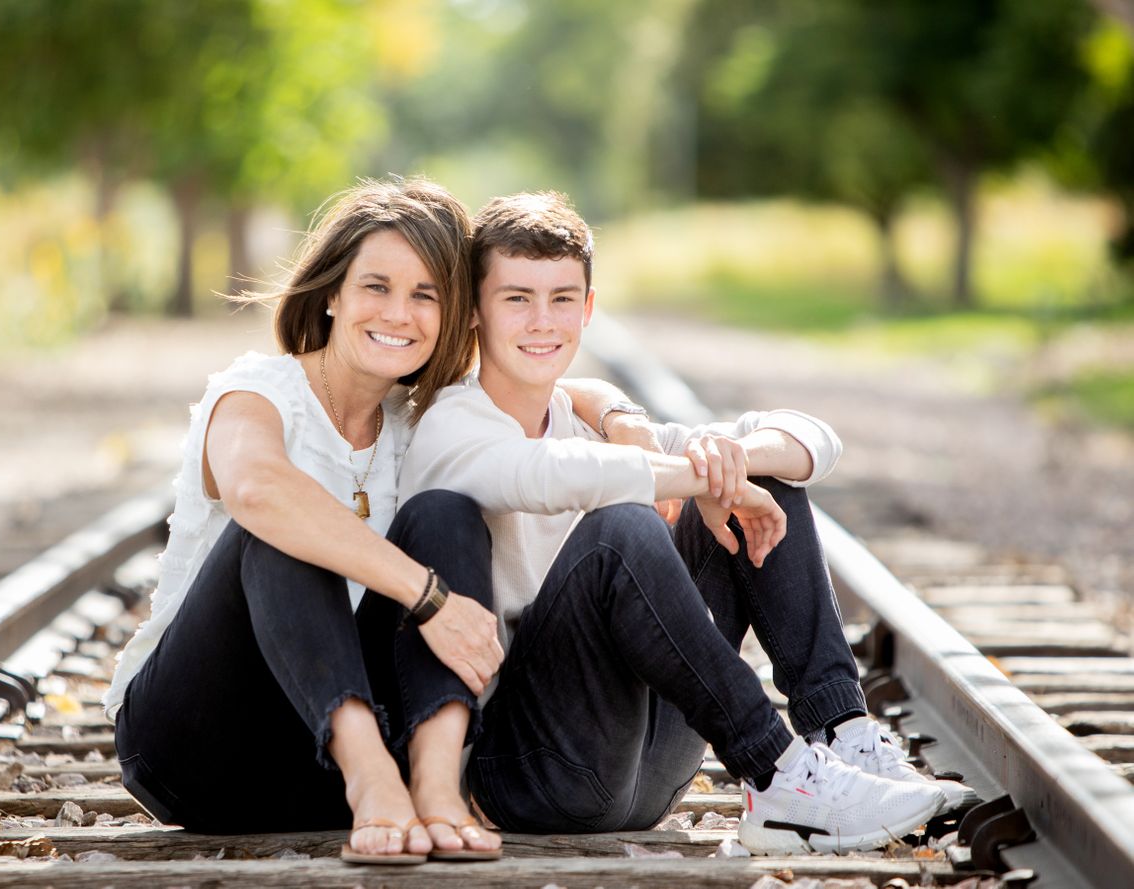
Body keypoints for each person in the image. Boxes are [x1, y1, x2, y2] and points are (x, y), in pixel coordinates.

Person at [399, 191, 972, 855]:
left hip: (647, 772)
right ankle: (778, 770)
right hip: (531, 771)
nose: (542, 321)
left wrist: (732, 464)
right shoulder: (450, 424)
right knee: (624, 529)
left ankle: (842, 734)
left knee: (754, 478)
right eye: (516, 298)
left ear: (588, 309)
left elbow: (814, 442)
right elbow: (552, 474)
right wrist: (697, 473)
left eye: (562, 299)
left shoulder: (591, 418)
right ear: (474, 311)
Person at [105, 178, 508, 864]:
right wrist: (427, 595)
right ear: (332, 294)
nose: (398, 313)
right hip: (197, 745)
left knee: (447, 512)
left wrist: (616, 415)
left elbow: (546, 395)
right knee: (278, 525)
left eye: (425, 295)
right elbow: (258, 488)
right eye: (376, 286)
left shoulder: (420, 429)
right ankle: (375, 774)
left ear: (451, 316)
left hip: (316, 775)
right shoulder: (259, 391)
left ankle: (435, 784)